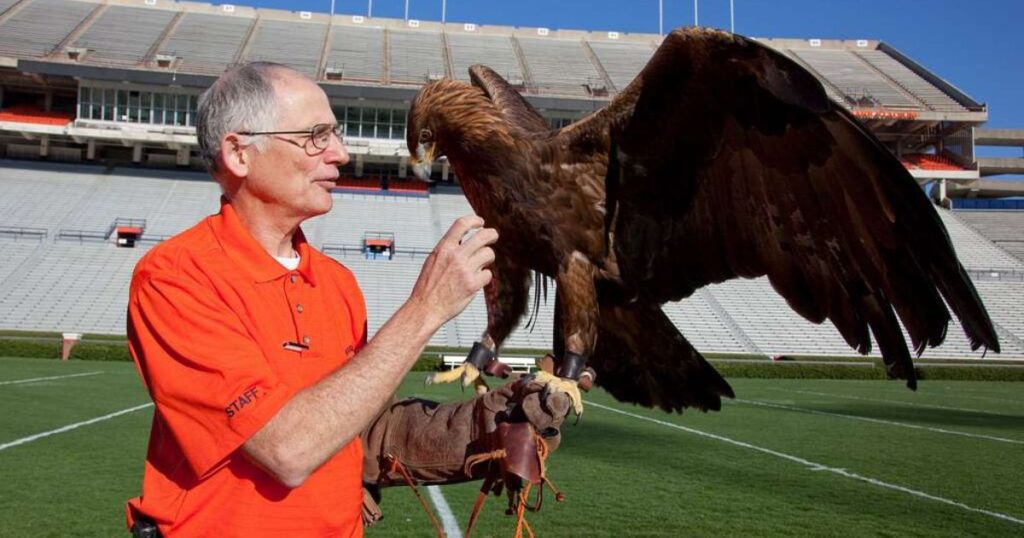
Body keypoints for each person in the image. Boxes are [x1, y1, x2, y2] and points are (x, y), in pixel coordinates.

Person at [124, 62, 520, 536]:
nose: (341, 153)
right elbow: (286, 450)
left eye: (335, 134)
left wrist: (476, 430)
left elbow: (352, 419)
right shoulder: (177, 278)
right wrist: (426, 309)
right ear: (239, 152)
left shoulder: (338, 283)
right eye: (316, 135)